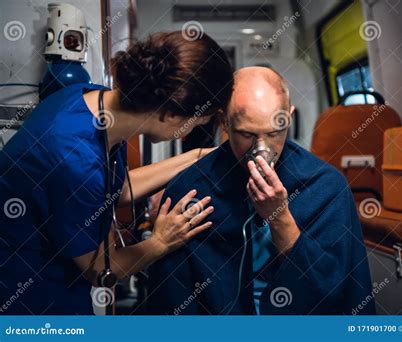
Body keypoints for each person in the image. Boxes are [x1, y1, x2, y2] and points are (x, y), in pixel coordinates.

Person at [0, 31, 234, 314]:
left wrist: (198, 157)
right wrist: (161, 242)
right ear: (172, 114)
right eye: (197, 122)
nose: (191, 131)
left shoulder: (89, 99)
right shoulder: (73, 159)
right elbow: (100, 272)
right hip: (30, 300)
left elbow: (117, 189)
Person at [147, 66, 374, 315]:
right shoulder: (190, 188)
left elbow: (337, 292)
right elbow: (171, 300)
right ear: (224, 121)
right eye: (246, 134)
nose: (261, 149)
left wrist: (280, 217)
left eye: (275, 132)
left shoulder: (327, 186)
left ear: (289, 116)